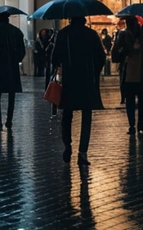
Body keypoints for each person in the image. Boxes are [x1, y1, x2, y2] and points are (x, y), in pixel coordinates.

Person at [52, 16, 104, 165]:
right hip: (86, 80)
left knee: (67, 115)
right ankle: (82, 152)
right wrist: (94, 72)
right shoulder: (91, 35)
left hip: (69, 79)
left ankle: (67, 145)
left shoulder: (63, 34)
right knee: (86, 116)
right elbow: (100, 57)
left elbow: (54, 58)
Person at [0, 14, 25, 132]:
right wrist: (16, 60)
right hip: (12, 67)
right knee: (11, 95)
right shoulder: (16, 31)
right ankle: (9, 121)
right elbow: (22, 51)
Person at [112, 17, 143, 135]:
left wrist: (123, 53)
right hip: (141, 72)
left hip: (129, 71)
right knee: (141, 100)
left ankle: (132, 125)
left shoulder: (123, 35)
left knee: (129, 100)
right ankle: (141, 125)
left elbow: (115, 55)